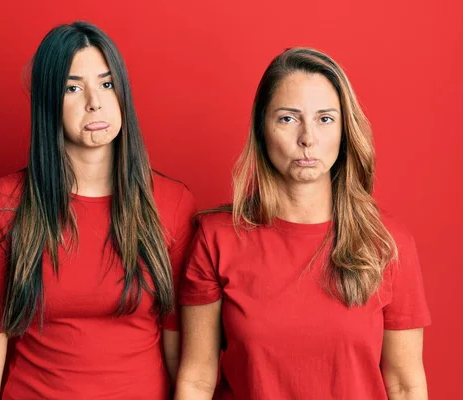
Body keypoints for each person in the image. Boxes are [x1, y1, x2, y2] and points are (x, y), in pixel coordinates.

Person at [176, 47, 431, 400]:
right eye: (288, 118)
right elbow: (197, 379)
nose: (307, 138)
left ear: (344, 131)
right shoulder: (217, 237)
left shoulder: (387, 243)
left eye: (325, 119)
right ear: (262, 128)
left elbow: (405, 385)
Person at [0, 21, 196, 399]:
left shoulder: (171, 203)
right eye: (73, 88)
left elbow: (180, 355)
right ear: (48, 101)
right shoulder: (3, 204)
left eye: (106, 84)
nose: (95, 101)